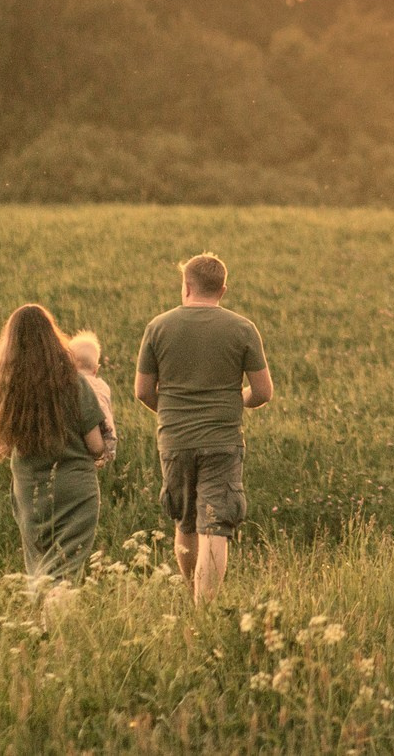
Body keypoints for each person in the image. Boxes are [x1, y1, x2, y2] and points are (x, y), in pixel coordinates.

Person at [135, 252, 272, 605]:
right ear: (222, 290)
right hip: (223, 440)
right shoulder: (242, 328)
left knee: (184, 522)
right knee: (215, 527)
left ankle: (189, 593)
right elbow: (262, 392)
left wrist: (173, 412)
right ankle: (205, 608)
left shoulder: (158, 327)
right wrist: (234, 401)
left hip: (175, 439)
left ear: (186, 286)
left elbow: (143, 391)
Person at [0, 303, 110, 582]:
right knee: (65, 571)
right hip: (75, 489)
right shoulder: (75, 383)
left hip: (29, 490)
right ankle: (58, 610)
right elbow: (96, 446)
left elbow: (3, 441)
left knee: (40, 570)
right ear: (53, 337)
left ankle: (41, 609)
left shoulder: (7, 386)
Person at [66, 330, 119, 465]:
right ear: (96, 369)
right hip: (106, 432)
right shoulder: (103, 386)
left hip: (81, 431)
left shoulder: (73, 385)